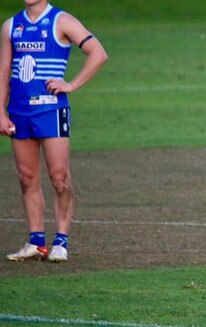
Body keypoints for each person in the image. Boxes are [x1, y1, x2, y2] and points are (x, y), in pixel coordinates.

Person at [0, 0, 108, 262]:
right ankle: (36, 241)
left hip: (51, 111)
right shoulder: (11, 26)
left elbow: (98, 53)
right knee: (27, 177)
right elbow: (3, 71)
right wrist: (1, 112)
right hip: (19, 111)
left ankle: (61, 240)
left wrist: (70, 84)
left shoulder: (62, 21)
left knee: (59, 177)